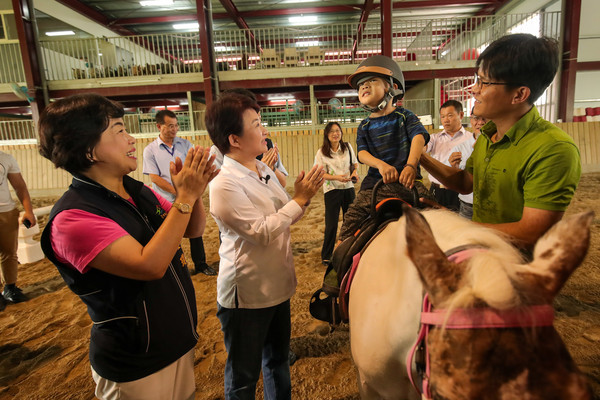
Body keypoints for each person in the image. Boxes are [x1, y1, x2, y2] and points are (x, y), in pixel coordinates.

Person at [38, 94, 217, 400]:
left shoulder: (136, 191)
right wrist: (184, 197)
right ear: (88, 149)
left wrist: (193, 192)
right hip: (135, 362)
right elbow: (150, 265)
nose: (131, 139)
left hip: (173, 344)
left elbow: (193, 228)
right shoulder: (73, 218)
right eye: (119, 130)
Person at [206, 92, 324, 399]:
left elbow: (286, 218)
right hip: (247, 295)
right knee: (243, 377)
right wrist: (298, 199)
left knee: (277, 362)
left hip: (276, 287)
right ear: (234, 139)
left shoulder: (265, 170)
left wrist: (302, 196)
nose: (265, 130)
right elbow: (260, 231)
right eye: (257, 124)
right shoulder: (224, 183)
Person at [420, 33, 581, 251]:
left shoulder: (553, 149)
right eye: (477, 79)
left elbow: (530, 234)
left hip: (517, 267)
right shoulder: (488, 135)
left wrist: (456, 225)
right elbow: (466, 183)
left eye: (484, 82)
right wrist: (419, 157)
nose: (474, 89)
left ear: (519, 94)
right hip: (481, 251)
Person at [338, 55, 431, 242]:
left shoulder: (404, 116)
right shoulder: (364, 126)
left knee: (440, 216)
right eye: (360, 85)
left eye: (372, 80)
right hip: (374, 187)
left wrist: (411, 166)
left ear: (392, 87)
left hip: (408, 184)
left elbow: (418, 137)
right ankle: (338, 268)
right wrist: (381, 165)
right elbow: (362, 154)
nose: (364, 86)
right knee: (347, 229)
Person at [143, 109, 216, 276]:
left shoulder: (185, 145)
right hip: (164, 199)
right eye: (170, 126)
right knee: (169, 234)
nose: (174, 129)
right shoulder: (150, 150)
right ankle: (173, 266)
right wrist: (178, 191)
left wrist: (187, 191)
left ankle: (200, 264)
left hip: (188, 196)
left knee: (195, 231)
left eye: (176, 126)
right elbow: (154, 177)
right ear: (159, 126)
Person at [313, 121, 358, 264]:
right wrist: (337, 177)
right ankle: (326, 255)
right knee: (331, 224)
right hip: (332, 190)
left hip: (348, 188)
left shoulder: (348, 147)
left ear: (341, 133)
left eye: (338, 130)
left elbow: (354, 163)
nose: (335, 133)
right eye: (332, 131)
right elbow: (320, 174)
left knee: (350, 221)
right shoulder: (321, 152)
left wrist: (355, 173)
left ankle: (350, 252)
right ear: (327, 134)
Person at [425, 100, 475, 212]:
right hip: (437, 190)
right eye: (442, 116)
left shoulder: (470, 138)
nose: (445, 120)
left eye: (450, 115)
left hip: (460, 191)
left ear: (461, 115)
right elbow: (423, 148)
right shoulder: (434, 138)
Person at [0, 150, 35, 309]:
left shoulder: (6, 158)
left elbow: (19, 186)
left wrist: (28, 211)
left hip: (6, 211)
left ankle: (10, 288)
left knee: (9, 252)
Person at [447, 107, 487, 219]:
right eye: (476, 118)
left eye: (484, 118)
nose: (480, 122)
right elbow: (455, 180)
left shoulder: (499, 146)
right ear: (471, 119)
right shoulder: (460, 148)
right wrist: (454, 167)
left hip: (492, 205)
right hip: (467, 205)